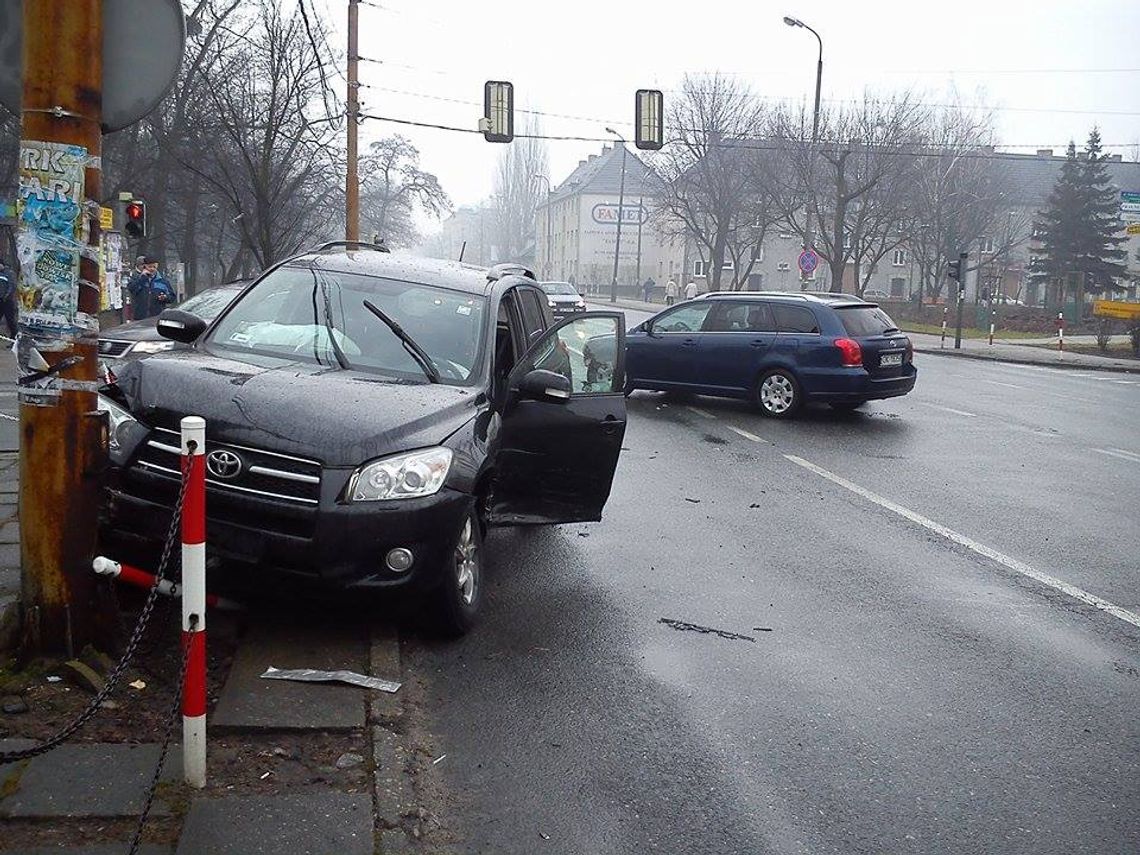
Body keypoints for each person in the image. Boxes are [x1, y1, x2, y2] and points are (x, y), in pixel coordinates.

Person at [126, 256, 159, 320]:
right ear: (139, 266)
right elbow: (132, 288)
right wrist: (142, 277)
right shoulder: (134, 275)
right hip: (139, 311)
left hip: (153, 312)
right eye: (143, 266)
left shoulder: (155, 275)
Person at [0, 259, 17, 339]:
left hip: (7, 301)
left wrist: (6, 296)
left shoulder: (9, 273)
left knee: (10, 320)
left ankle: (14, 338)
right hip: (0, 301)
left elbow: (12, 287)